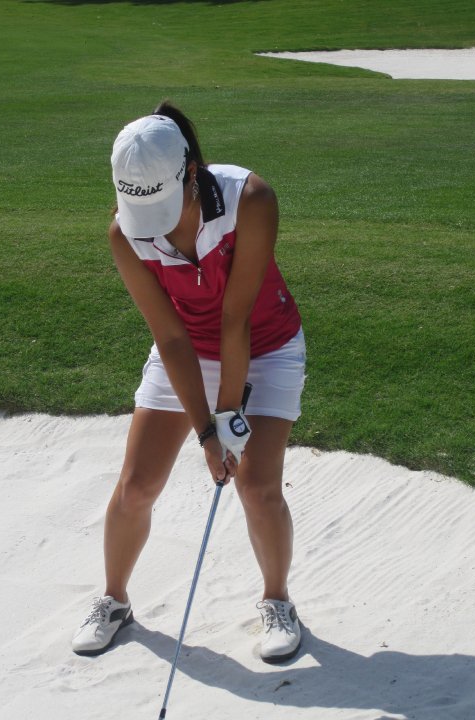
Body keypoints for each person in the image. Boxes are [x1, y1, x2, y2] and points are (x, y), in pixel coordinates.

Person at [72, 101, 306, 664]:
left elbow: (235, 319)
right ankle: (114, 599)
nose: (153, 222)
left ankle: (278, 601)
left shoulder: (250, 199)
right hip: (186, 351)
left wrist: (225, 423)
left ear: (191, 174)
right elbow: (171, 337)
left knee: (257, 487)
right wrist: (207, 432)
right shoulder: (124, 233)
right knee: (136, 486)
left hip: (266, 345)